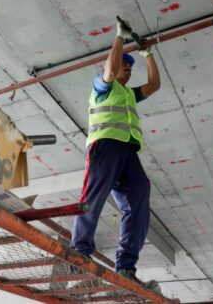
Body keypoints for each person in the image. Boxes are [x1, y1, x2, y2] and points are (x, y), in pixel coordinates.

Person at [70, 20, 161, 288]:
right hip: (105, 147)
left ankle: (126, 267)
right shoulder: (102, 87)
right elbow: (109, 69)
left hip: (128, 152)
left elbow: (154, 85)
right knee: (94, 196)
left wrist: (148, 54)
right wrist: (119, 38)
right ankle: (79, 253)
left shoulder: (130, 95)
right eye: (125, 64)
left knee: (139, 194)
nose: (129, 70)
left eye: (131, 67)